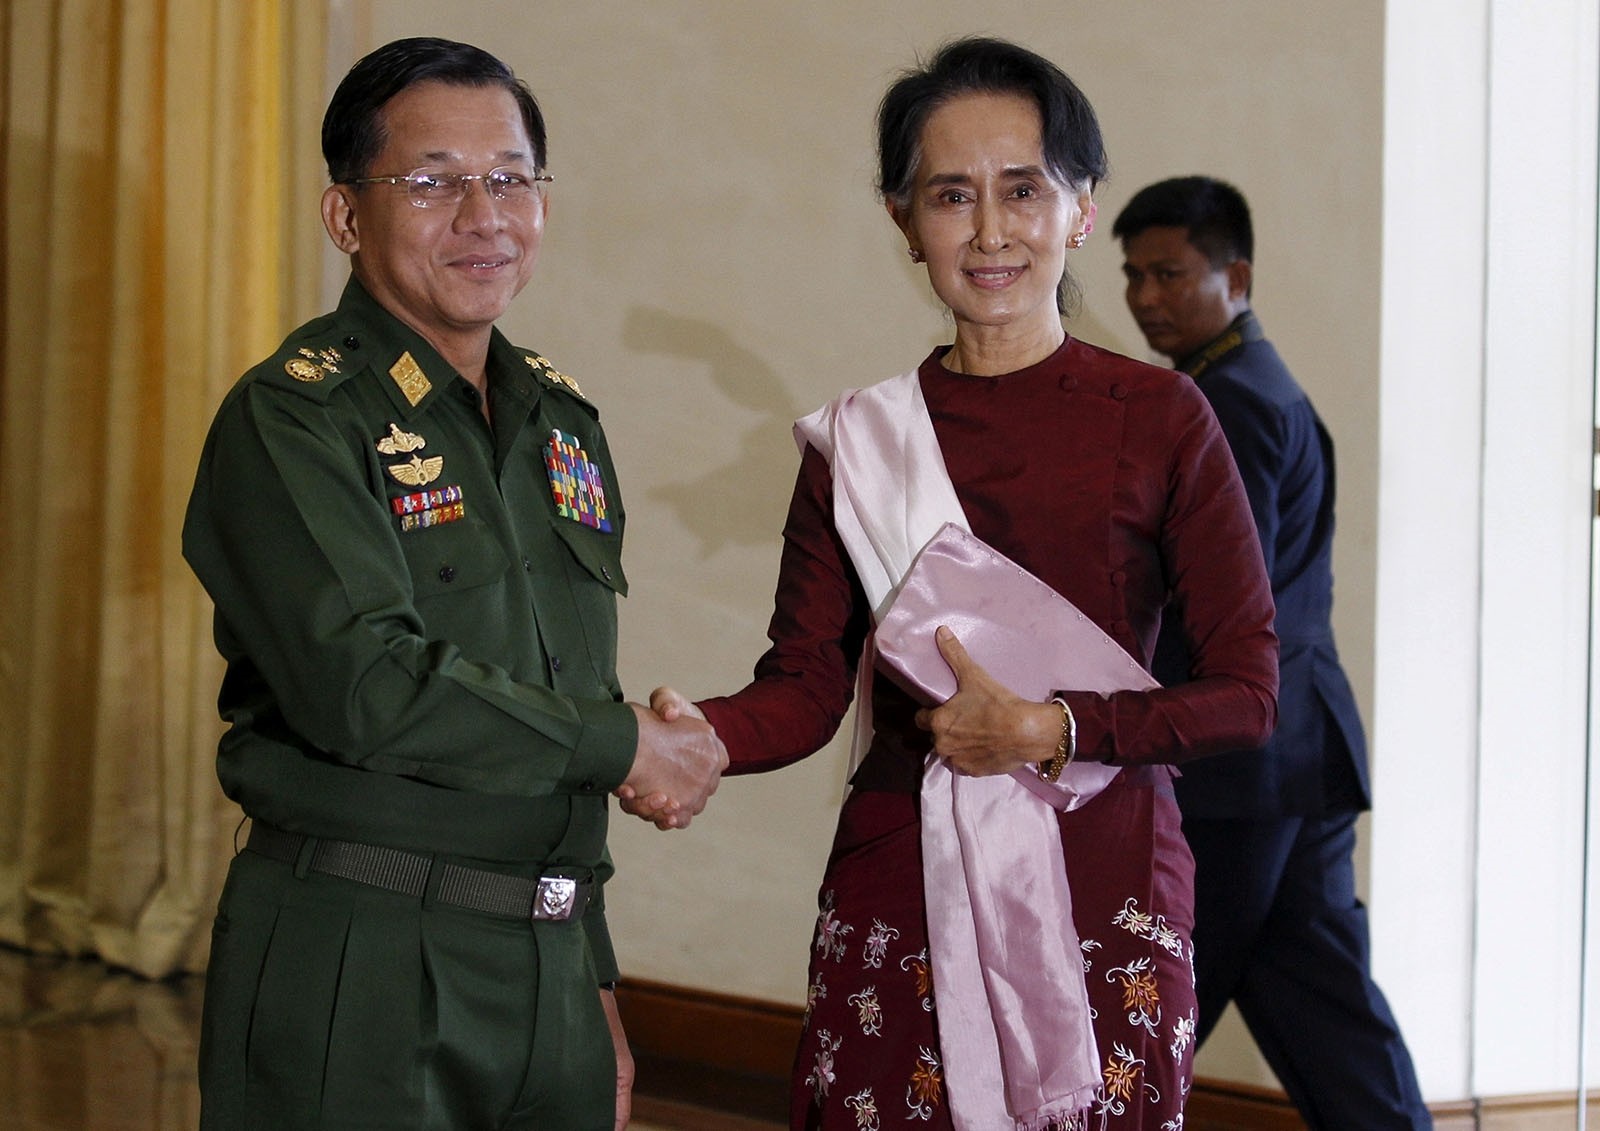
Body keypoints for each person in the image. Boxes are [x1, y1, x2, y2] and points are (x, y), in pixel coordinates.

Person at [629, 39, 1278, 1130]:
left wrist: (1052, 729)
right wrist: (700, 737)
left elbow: (1247, 694)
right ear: (902, 220)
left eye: (1023, 190)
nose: (989, 231)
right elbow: (802, 684)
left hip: (1101, 872)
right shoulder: (858, 443)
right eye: (950, 195)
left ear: (1078, 209)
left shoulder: (1163, 420)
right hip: (901, 873)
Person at [181, 37, 726, 1131]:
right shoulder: (293, 417)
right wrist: (627, 743)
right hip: (362, 950)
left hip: (551, 965)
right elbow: (364, 685)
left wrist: (599, 981)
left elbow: (562, 693)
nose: (485, 216)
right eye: (431, 182)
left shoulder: (560, 422)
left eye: (512, 177)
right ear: (346, 217)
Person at [1114, 175, 1431, 1130]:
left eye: (1170, 273)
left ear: (1235, 276)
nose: (1145, 297)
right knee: (1323, 1002)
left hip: (1245, 761)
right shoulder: (1247, 383)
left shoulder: (1232, 400)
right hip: (1301, 750)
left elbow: (1215, 593)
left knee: (1152, 990)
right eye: (1132, 275)